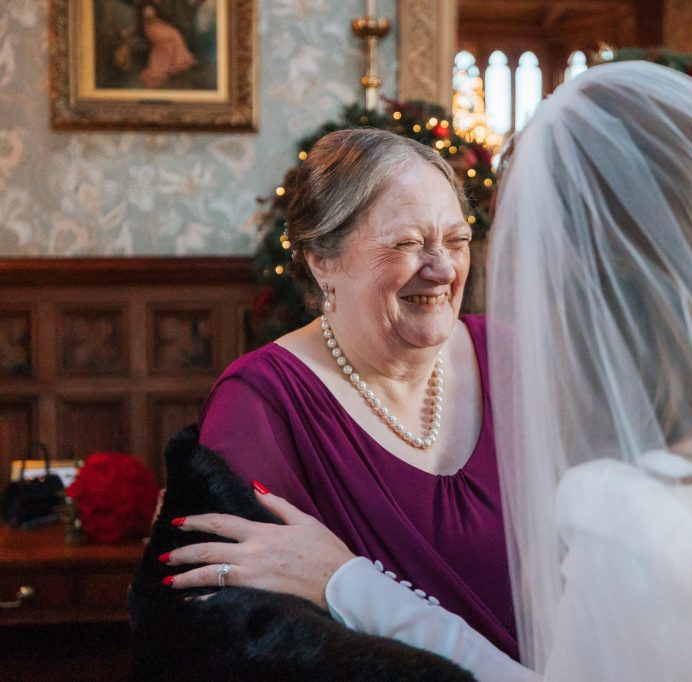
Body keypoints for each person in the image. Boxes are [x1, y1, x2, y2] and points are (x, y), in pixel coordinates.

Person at [166, 63, 692, 679]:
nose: (453, 270)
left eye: (468, 240)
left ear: (583, 283)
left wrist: (346, 581)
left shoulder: (640, 515)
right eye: (408, 243)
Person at [165, 127, 519, 660]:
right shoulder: (261, 404)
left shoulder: (513, 358)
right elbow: (259, 634)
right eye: (407, 243)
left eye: (457, 240)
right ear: (321, 261)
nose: (443, 268)